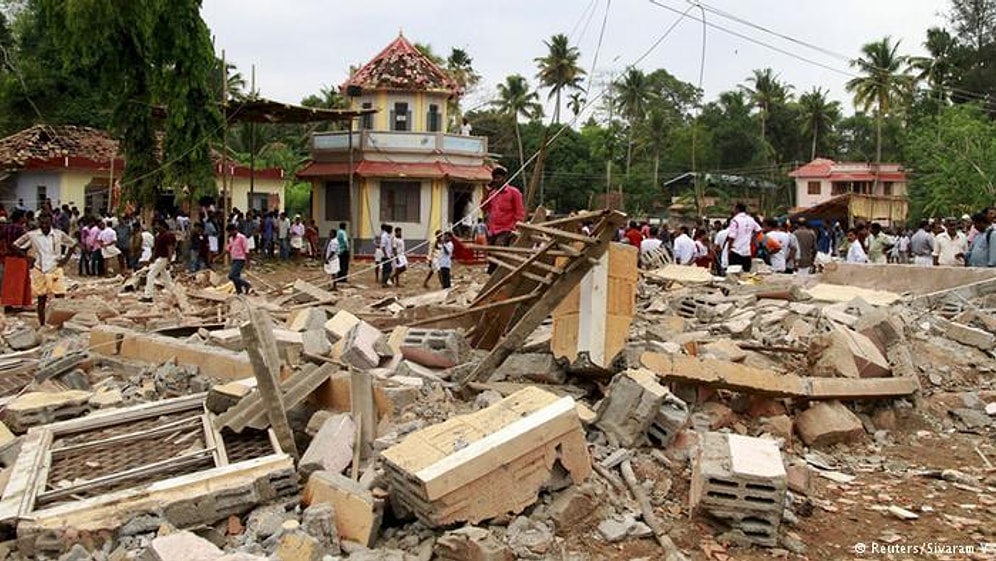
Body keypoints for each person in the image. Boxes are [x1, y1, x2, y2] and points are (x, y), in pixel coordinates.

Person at [13, 213, 76, 325]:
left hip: (55, 267)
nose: (44, 225)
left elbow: (73, 244)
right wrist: (26, 257)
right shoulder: (32, 235)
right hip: (39, 269)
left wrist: (65, 259)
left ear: (51, 222)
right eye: (42, 223)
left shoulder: (58, 234)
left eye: (46, 222)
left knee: (60, 296)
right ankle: (42, 324)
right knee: (41, 298)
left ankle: (60, 323)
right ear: (39, 223)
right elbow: (15, 245)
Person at [482, 166, 525, 273]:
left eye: (499, 178)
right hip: (492, 230)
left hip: (506, 229)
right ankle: (493, 275)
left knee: (498, 253)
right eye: (495, 178)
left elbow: (519, 212)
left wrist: (515, 228)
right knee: (491, 253)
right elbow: (483, 207)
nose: (497, 180)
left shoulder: (514, 192)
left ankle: (493, 274)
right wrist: (487, 193)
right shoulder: (492, 194)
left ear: (505, 178)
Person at [1, 210, 32, 309]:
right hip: (19, 258)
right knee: (19, 282)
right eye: (24, 216)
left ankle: (8, 304)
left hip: (9, 258)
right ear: (20, 218)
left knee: (9, 282)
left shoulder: (6, 228)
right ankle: (18, 304)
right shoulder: (21, 229)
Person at [139, 221, 176, 303]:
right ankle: (174, 292)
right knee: (165, 277)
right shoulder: (158, 235)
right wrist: (151, 258)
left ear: (162, 225)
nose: (156, 226)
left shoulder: (167, 235)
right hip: (160, 258)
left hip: (163, 258)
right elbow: (156, 248)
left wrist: (169, 260)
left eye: (157, 224)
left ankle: (148, 296)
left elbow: (170, 248)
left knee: (151, 275)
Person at [724, 203, 761, 272]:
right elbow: (758, 230)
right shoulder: (751, 219)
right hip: (747, 251)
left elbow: (732, 237)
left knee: (734, 273)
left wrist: (729, 248)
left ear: (737, 209)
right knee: (746, 273)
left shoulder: (735, 220)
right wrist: (753, 238)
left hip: (736, 250)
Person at [224, 223, 252, 295]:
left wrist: (248, 262)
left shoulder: (242, 237)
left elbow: (246, 250)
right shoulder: (230, 239)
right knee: (236, 277)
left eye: (230, 231)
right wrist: (218, 257)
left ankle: (246, 284)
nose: (230, 233)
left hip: (240, 259)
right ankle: (239, 292)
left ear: (234, 230)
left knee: (231, 276)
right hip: (234, 259)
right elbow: (227, 249)